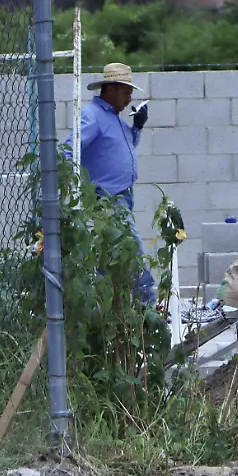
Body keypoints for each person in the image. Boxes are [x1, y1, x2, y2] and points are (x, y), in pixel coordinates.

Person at [65, 62, 155, 305]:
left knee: (108, 259)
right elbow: (68, 150)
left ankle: (108, 313)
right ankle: (149, 310)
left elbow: (121, 148)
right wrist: (82, 187)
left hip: (121, 198)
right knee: (133, 253)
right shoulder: (92, 117)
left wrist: (137, 127)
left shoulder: (113, 119)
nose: (129, 99)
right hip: (108, 200)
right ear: (111, 89)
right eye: (126, 93)